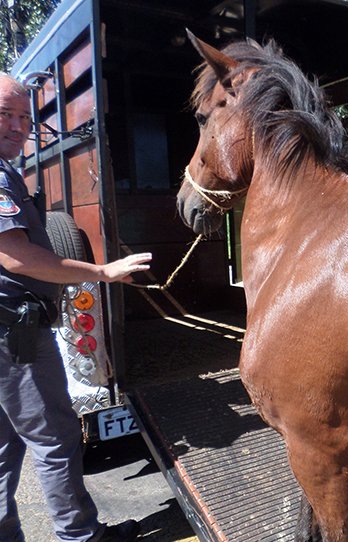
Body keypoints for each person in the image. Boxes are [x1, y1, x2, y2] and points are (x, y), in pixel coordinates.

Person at [0, 73, 151, 542]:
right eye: (6, 114)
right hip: (14, 334)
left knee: (5, 448)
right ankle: (81, 537)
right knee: (55, 439)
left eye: (25, 117)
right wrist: (102, 273)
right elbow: (14, 255)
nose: (19, 126)